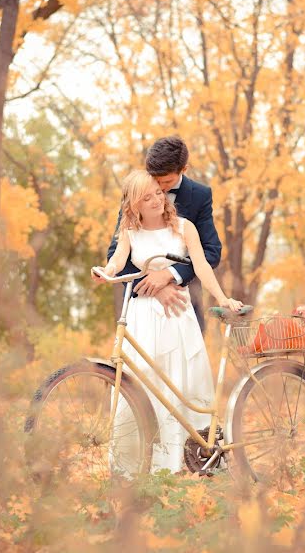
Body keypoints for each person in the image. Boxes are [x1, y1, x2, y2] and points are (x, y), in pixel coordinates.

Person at [95, 170, 242, 473]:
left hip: (177, 314)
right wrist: (105, 273)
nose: (156, 200)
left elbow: (201, 266)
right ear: (134, 204)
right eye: (147, 197)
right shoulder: (129, 232)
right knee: (142, 379)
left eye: (158, 193)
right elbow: (117, 261)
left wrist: (222, 298)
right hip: (142, 316)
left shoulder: (183, 227)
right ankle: (135, 465)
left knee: (179, 380)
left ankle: (189, 460)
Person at [107, 136, 222, 332]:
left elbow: (211, 252)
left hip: (183, 300)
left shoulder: (200, 196)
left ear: (183, 169)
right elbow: (116, 255)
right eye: (155, 179)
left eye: (165, 182)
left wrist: (170, 274)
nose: (158, 187)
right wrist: (153, 289)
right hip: (140, 305)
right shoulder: (137, 190)